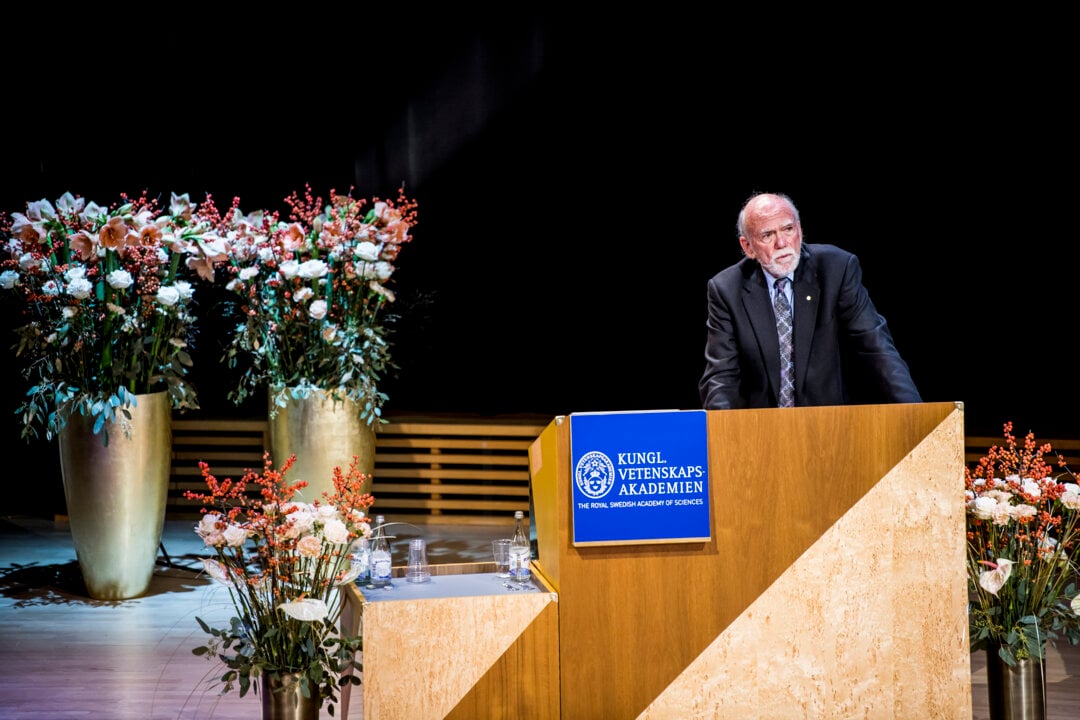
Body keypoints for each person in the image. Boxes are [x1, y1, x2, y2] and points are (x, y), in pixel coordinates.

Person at [698, 192, 921, 410]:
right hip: (759, 433)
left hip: (829, 426)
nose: (782, 243)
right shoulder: (726, 289)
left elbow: (876, 348)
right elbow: (722, 377)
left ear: (800, 230)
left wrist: (916, 414)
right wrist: (722, 435)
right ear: (748, 247)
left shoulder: (837, 269)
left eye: (788, 229)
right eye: (767, 235)